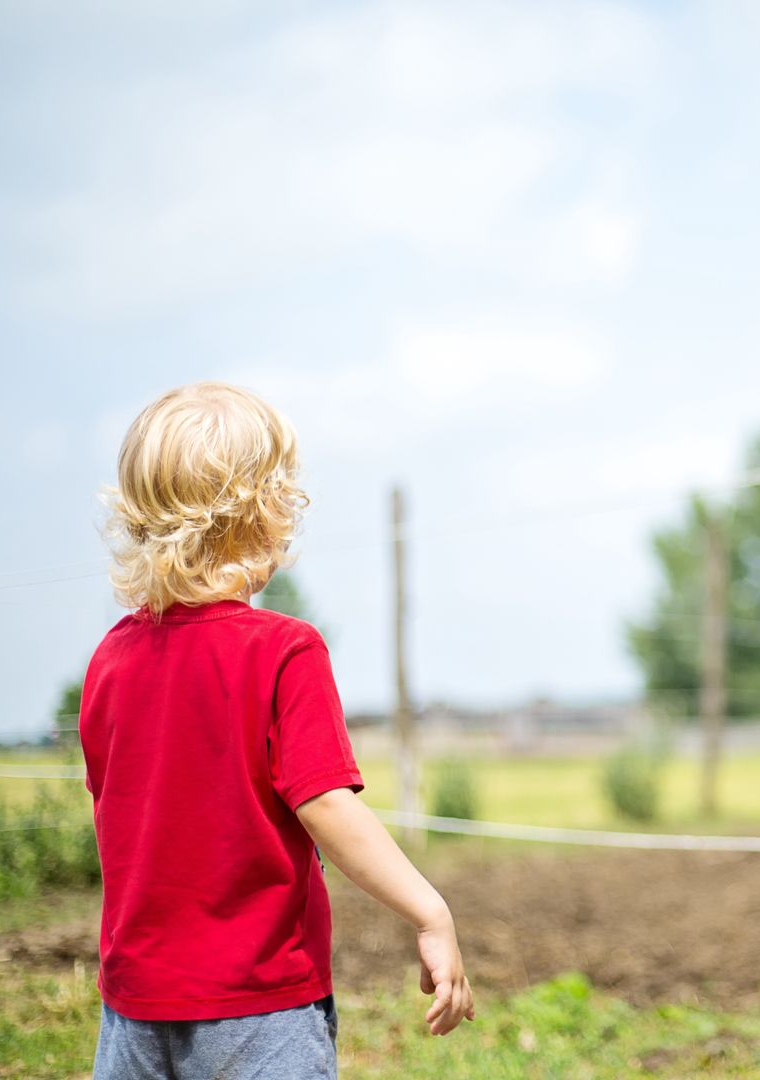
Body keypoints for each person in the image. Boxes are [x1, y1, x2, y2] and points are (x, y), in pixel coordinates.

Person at [80, 381, 474, 1079]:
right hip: (259, 1010)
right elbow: (325, 803)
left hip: (135, 1010)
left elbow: (116, 813)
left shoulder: (111, 659)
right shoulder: (284, 651)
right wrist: (430, 911)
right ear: (265, 514)